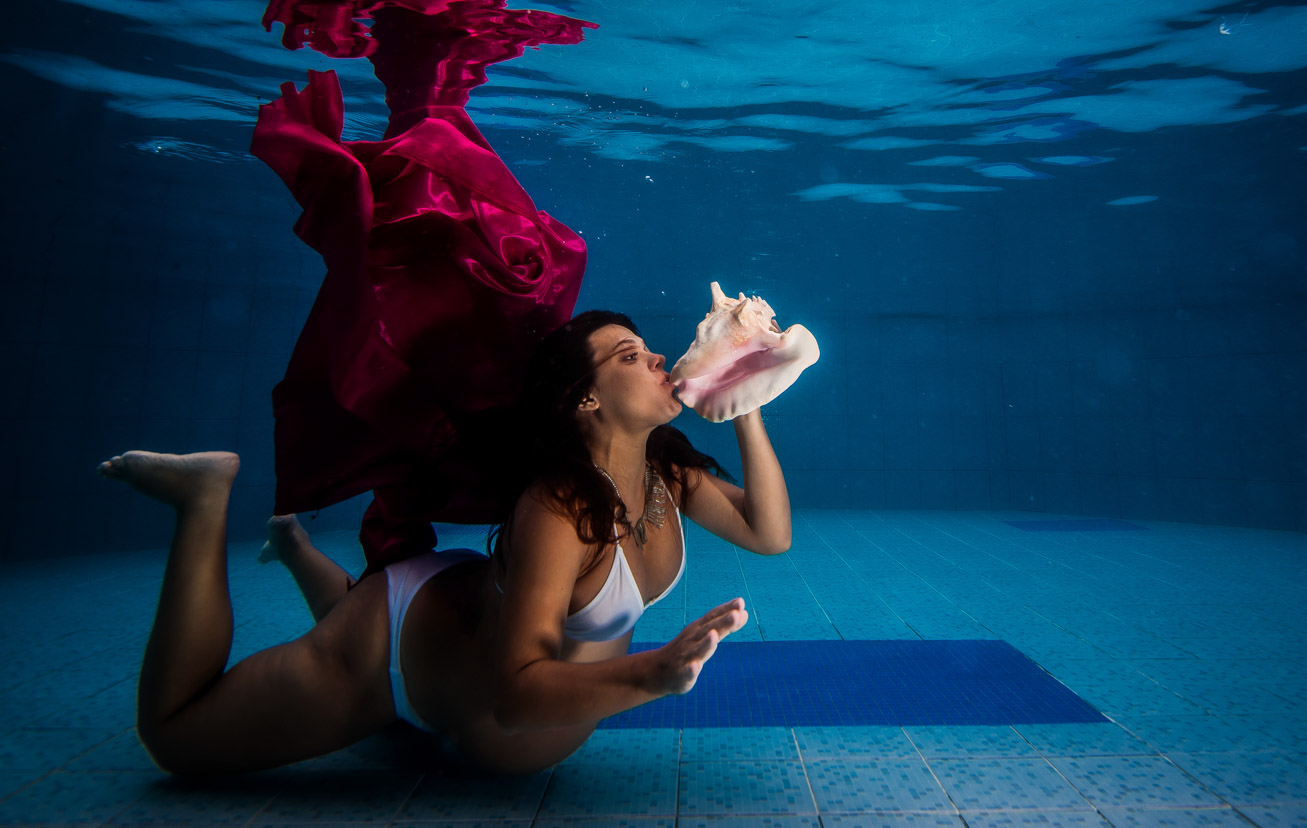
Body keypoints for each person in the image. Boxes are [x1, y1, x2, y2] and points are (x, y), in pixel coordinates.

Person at [97, 309, 792, 775]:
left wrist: (746, 403)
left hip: (455, 623)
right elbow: (514, 700)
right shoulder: (556, 508)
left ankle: (296, 551)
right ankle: (204, 500)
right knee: (175, 738)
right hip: (390, 652)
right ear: (585, 397)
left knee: (377, 694)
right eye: (630, 355)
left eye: (648, 349)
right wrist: (652, 675)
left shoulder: (668, 473)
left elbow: (769, 533)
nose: (659, 358)